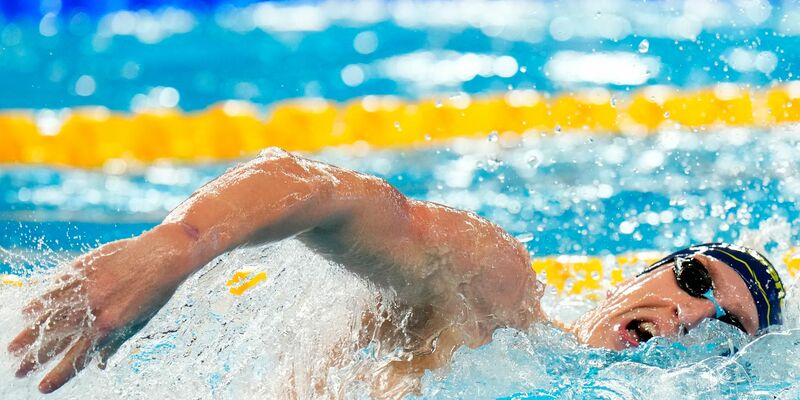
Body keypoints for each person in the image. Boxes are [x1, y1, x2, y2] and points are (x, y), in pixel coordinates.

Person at [6, 148, 785, 395]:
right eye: (692, 279)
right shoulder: (492, 297)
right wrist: (176, 247)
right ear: (630, 281)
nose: (689, 315)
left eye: (724, 329)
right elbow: (329, 194)